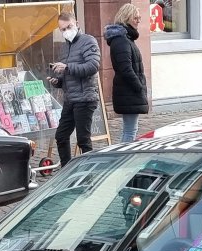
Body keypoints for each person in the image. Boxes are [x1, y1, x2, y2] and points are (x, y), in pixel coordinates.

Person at [49, 12, 101, 165]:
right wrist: (57, 81)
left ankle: (89, 172)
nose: (66, 31)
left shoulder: (88, 41)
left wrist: (67, 67)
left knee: (83, 140)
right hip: (70, 98)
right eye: (63, 29)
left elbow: (93, 66)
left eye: (69, 27)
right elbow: (66, 74)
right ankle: (67, 169)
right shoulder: (65, 47)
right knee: (61, 136)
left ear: (77, 24)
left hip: (85, 98)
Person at [105, 4, 149, 143]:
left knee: (130, 129)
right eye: (135, 18)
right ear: (126, 18)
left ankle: (124, 154)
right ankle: (124, 156)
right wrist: (138, 87)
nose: (138, 21)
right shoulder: (121, 40)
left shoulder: (126, 39)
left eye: (139, 18)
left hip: (129, 92)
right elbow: (125, 69)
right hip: (128, 92)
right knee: (130, 131)